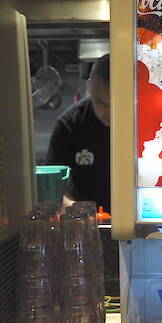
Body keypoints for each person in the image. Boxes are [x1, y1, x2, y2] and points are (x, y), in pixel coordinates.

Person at [46, 54, 110, 211]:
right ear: (90, 88)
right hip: (85, 221)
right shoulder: (69, 125)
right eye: (101, 103)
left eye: (117, 103)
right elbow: (53, 189)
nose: (110, 111)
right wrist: (78, 212)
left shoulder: (143, 123)